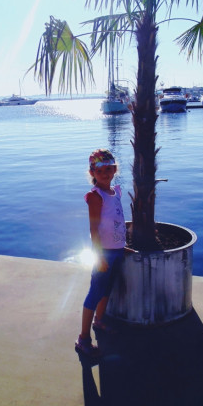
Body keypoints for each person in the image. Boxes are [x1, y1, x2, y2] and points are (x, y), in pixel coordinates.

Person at [75, 149, 126, 357]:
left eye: (109, 169)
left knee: (107, 290)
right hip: (104, 253)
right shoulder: (96, 197)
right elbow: (94, 229)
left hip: (117, 251)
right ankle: (83, 338)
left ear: (115, 170)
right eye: (100, 171)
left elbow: (115, 221)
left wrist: (121, 244)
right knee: (95, 292)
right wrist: (99, 256)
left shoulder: (115, 192)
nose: (105, 174)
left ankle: (99, 321)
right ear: (92, 173)